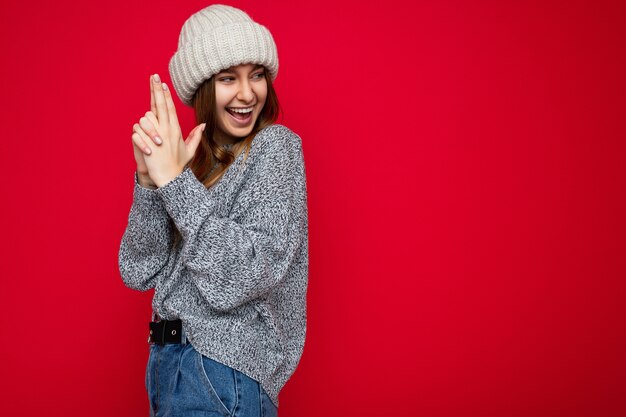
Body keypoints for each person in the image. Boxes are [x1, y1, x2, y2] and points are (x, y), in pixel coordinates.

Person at [118, 4, 308, 416]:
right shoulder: (192, 163)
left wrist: (175, 183)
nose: (246, 93)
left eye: (256, 74)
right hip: (167, 367)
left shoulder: (274, 148)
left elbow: (249, 275)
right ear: (203, 88)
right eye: (228, 78)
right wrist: (151, 184)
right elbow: (138, 270)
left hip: (222, 371)